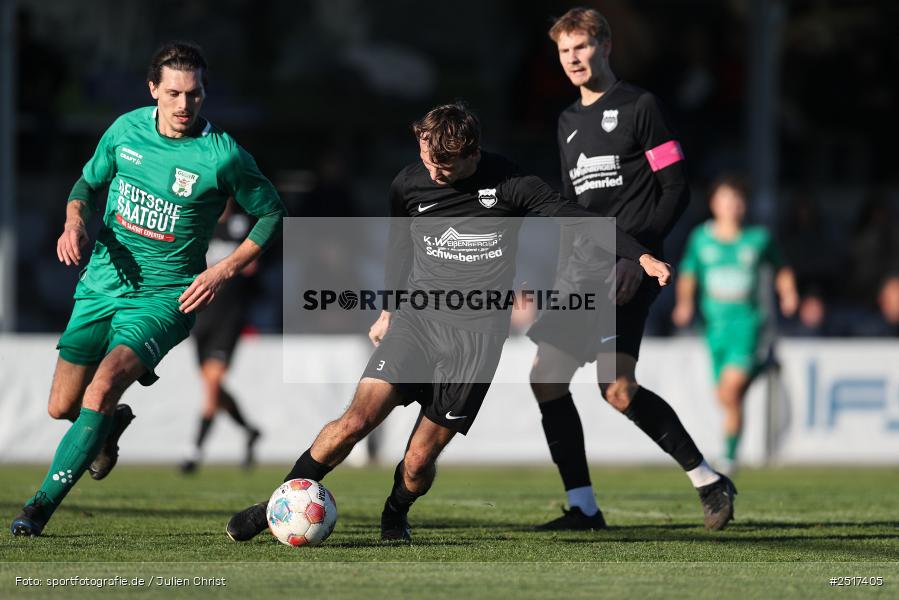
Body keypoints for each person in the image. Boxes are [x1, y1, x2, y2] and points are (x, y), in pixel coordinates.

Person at [226, 102, 672, 543]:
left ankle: (396, 510)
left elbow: (575, 218)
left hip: (475, 344)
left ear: (472, 154)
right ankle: (274, 508)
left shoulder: (511, 183)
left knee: (419, 462)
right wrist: (389, 309)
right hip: (416, 324)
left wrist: (640, 254)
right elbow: (399, 248)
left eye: (444, 164)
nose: (432, 171)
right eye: (425, 157)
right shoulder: (408, 184)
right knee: (354, 422)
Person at [11, 42, 286, 537]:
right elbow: (86, 185)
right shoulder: (125, 130)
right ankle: (110, 425)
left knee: (104, 383)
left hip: (167, 296)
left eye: (196, 94)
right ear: (153, 90)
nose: (185, 105)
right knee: (62, 408)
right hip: (101, 283)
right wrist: (74, 221)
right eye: (175, 93)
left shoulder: (222, 155)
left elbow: (272, 214)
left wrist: (222, 270)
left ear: (204, 93)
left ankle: (37, 509)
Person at [526, 7, 736, 531]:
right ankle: (586, 507)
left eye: (582, 47)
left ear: (606, 46)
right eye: (564, 51)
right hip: (582, 269)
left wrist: (637, 257)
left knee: (612, 386)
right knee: (555, 379)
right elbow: (573, 212)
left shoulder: (641, 106)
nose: (573, 59)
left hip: (633, 266)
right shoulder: (567, 121)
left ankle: (706, 480)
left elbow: (677, 189)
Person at [672, 176, 798, 474]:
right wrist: (685, 303)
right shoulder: (701, 239)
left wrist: (789, 293)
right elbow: (689, 274)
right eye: (726, 198)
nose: (732, 205)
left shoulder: (758, 239)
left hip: (749, 327)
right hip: (715, 330)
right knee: (726, 397)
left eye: (738, 199)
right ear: (714, 203)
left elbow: (781, 268)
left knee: (730, 391)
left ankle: (728, 457)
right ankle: (760, 368)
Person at [181, 199, 262, 474]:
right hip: (201, 316)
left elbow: (252, 265)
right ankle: (249, 430)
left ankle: (195, 451)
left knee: (213, 382)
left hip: (230, 317)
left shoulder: (242, 226)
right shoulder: (198, 226)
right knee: (212, 387)